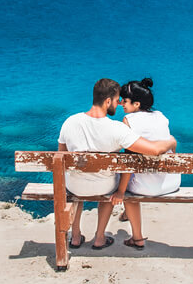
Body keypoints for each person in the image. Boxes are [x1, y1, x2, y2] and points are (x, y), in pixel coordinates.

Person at [58, 78, 176, 250]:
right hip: (104, 188)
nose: (119, 104)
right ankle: (99, 238)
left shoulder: (70, 122)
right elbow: (155, 149)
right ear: (108, 101)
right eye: (116, 100)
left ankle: (75, 237)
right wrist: (171, 141)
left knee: (76, 186)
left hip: (75, 186)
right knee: (112, 187)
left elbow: (61, 155)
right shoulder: (117, 129)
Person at [111, 78, 178, 250]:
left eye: (125, 101)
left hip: (148, 188)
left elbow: (129, 161)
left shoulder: (128, 120)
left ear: (136, 104)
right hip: (171, 183)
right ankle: (126, 213)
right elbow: (172, 147)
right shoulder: (161, 116)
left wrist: (121, 192)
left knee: (126, 188)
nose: (121, 104)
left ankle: (137, 238)